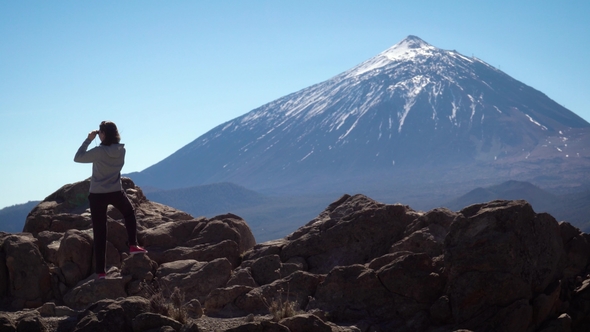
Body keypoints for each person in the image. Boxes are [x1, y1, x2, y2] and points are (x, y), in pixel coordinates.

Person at [74, 121, 147, 280]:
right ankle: (133, 244)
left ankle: (101, 271)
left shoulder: (99, 151)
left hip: (97, 194)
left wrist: (88, 139)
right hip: (115, 190)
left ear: (104, 134)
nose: (99, 134)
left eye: (101, 132)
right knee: (129, 212)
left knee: (100, 231)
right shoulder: (122, 150)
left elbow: (78, 158)